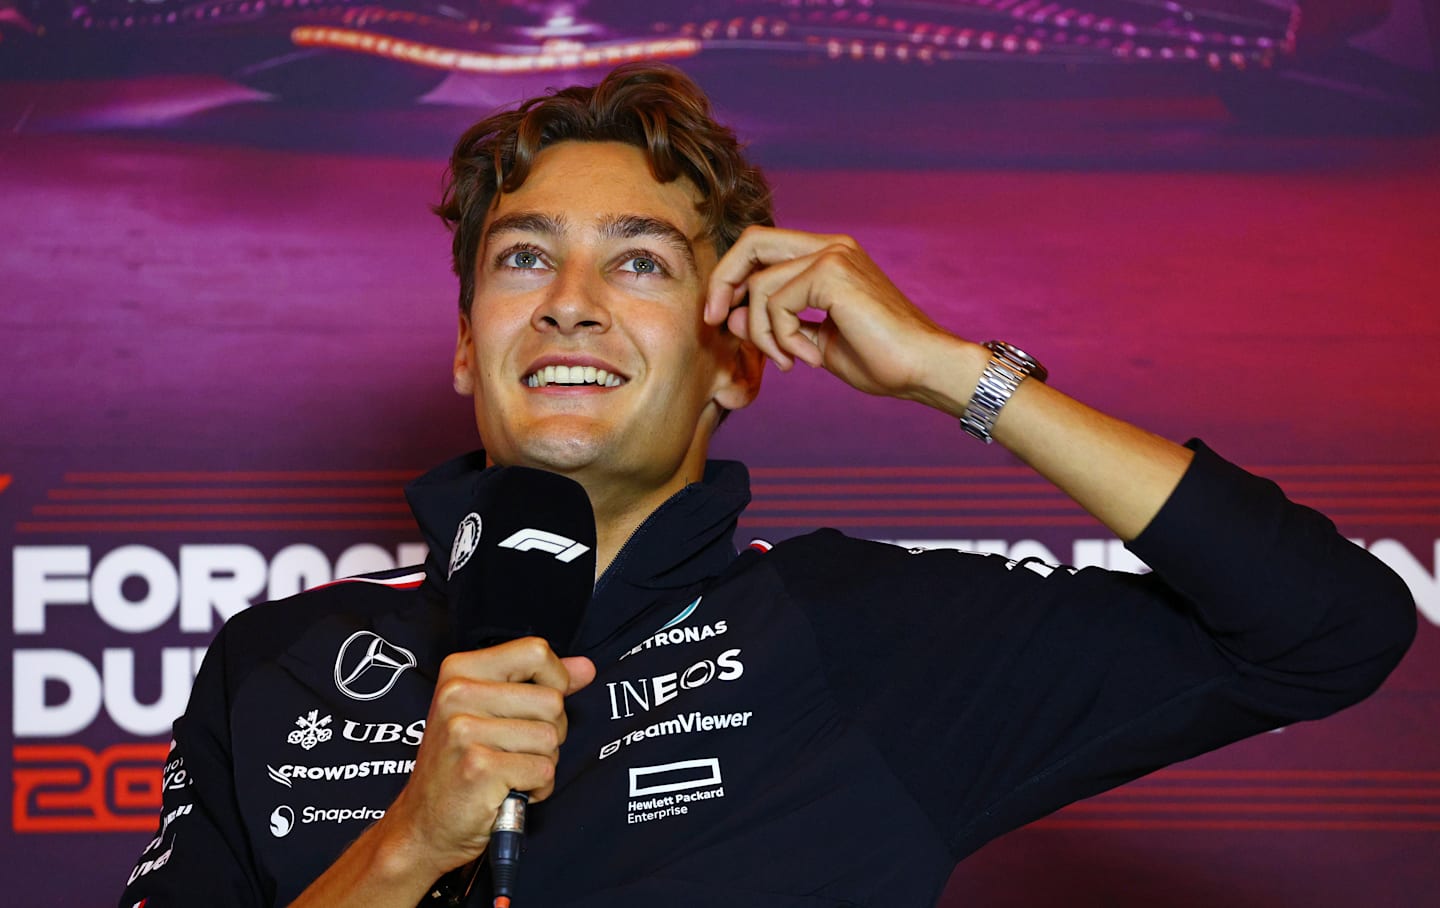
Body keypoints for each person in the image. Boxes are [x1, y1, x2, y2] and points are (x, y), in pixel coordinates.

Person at [118, 63, 1415, 908]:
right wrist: (407, 845)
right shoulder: (282, 661)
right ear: (468, 347)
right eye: (524, 259)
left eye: (639, 264)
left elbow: (1329, 631)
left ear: (734, 354)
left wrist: (956, 374)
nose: (570, 305)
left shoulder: (863, 632)